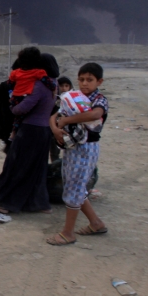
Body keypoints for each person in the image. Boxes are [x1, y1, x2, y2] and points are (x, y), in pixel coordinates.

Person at [0, 46, 56, 214]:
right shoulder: (54, 84)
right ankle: (37, 203)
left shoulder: (38, 86)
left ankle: (2, 201)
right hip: (44, 131)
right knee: (37, 169)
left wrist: (13, 106)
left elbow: (21, 109)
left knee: (16, 167)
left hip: (30, 131)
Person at [47, 62, 109, 245]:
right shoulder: (73, 97)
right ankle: (96, 223)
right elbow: (54, 115)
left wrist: (67, 120)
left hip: (86, 149)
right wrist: (55, 129)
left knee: (74, 189)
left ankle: (68, 233)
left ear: (99, 81)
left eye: (89, 80)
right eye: (81, 79)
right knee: (74, 187)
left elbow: (95, 115)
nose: (84, 83)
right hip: (72, 148)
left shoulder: (99, 100)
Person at [50, 76, 74, 162]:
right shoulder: (53, 98)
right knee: (53, 152)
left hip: (66, 130)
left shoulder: (73, 100)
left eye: (66, 86)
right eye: (61, 86)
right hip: (51, 129)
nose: (64, 88)